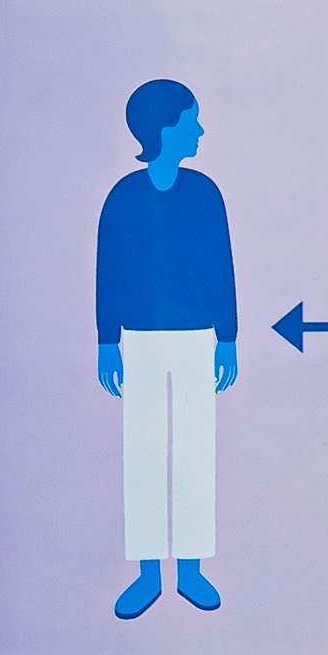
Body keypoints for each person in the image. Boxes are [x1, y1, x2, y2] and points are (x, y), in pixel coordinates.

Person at [95, 76, 237, 619]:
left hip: (198, 339)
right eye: (190, 121)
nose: (199, 131)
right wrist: (107, 341)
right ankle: (149, 572)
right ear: (163, 128)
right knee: (145, 451)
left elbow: (222, 267)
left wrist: (228, 337)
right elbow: (108, 271)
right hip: (140, 341)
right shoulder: (124, 197)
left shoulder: (205, 193)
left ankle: (192, 568)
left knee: (195, 450)